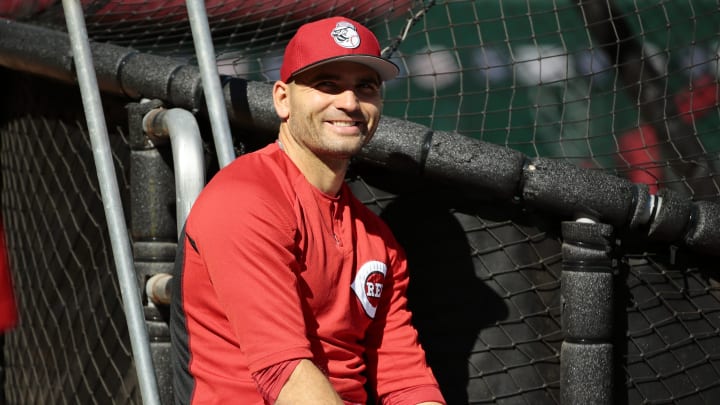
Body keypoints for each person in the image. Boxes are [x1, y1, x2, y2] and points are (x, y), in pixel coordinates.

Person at [170, 16, 446, 405]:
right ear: (283, 99)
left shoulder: (379, 242)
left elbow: (405, 381)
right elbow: (284, 373)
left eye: (365, 87)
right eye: (327, 85)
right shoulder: (245, 198)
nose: (349, 103)